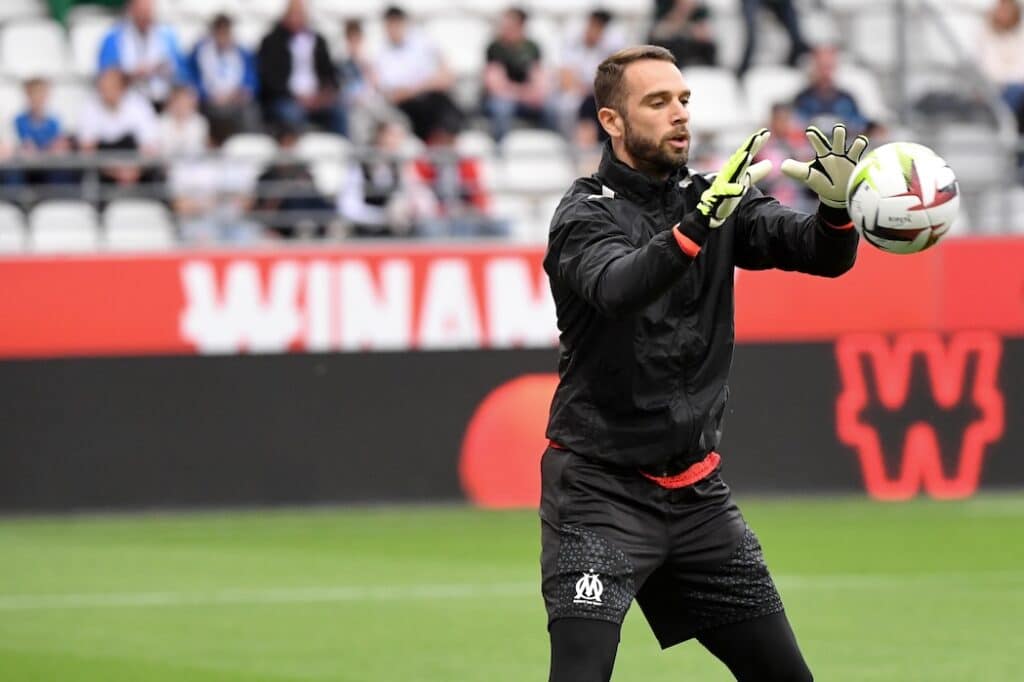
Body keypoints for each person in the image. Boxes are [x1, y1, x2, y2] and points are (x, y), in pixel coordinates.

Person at [541, 45, 867, 681]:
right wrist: (696, 225)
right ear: (612, 121)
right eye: (658, 103)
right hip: (598, 493)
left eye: (684, 100)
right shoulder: (584, 214)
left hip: (697, 497)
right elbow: (619, 287)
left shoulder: (712, 198)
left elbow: (821, 256)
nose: (679, 115)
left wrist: (834, 213)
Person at [257, 0, 347, 136]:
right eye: (294, 14)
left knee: (339, 112)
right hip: (287, 99)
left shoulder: (318, 41)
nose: (297, 18)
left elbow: (330, 74)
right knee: (291, 114)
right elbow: (269, 80)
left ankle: (342, 153)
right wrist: (296, 96)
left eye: (300, 14)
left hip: (316, 99)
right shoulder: (272, 42)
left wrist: (324, 95)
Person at [97, 0, 188, 110]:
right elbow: (106, 75)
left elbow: (181, 71)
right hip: (127, 101)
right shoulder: (114, 38)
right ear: (131, 10)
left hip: (163, 100)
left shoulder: (167, 36)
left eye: (148, 11)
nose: (145, 15)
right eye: (141, 11)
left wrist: (161, 69)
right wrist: (130, 74)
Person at [482, 7, 554, 141]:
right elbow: (496, 85)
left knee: (552, 107)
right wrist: (522, 93)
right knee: (501, 108)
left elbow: (539, 79)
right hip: (504, 97)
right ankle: (500, 150)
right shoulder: (495, 48)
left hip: (526, 97)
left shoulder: (532, 47)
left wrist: (531, 94)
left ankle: (552, 147)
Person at [189, 13, 260, 137]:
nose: (223, 37)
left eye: (226, 32)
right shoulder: (200, 53)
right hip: (209, 101)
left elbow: (251, 81)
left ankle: (247, 144)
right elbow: (192, 79)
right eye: (219, 32)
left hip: (236, 101)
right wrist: (208, 96)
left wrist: (240, 93)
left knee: (250, 111)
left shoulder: (242, 53)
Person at [792, 44, 867, 134]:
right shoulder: (802, 99)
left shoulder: (847, 99)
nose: (825, 72)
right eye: (821, 66)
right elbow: (795, 125)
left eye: (828, 67)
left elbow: (860, 124)